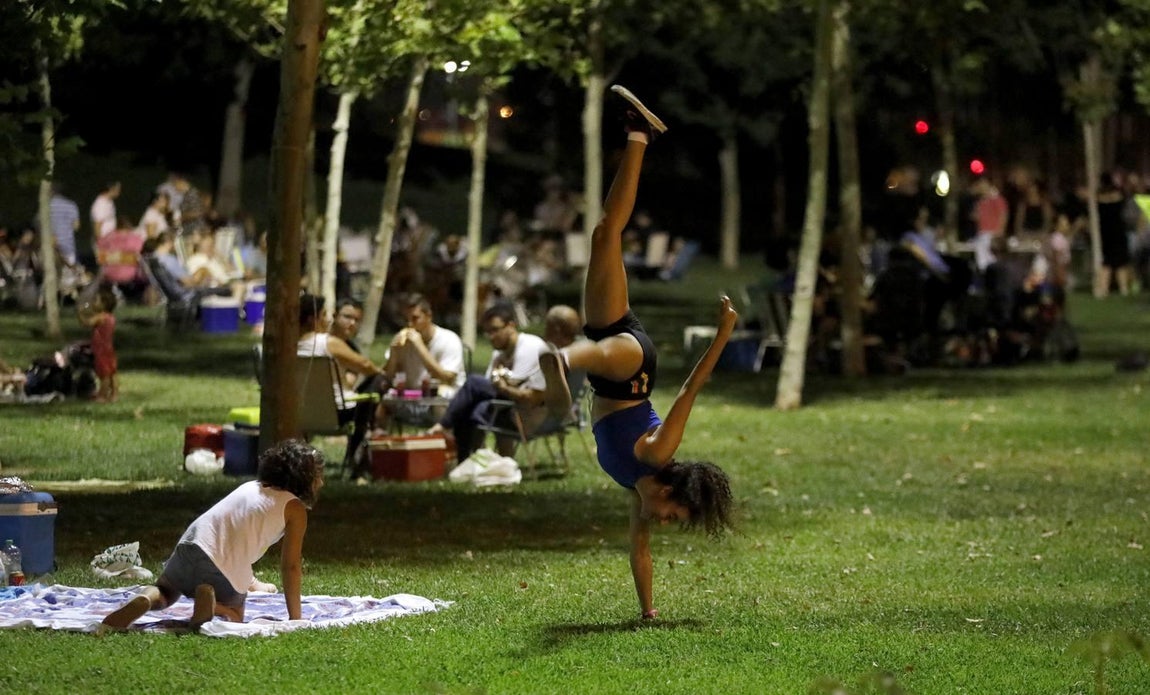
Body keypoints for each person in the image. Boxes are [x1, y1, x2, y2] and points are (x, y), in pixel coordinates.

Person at [537, 85, 735, 621]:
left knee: (605, 235)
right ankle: (565, 360)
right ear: (672, 490)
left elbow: (638, 552)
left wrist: (648, 614)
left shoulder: (634, 485)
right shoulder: (656, 454)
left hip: (613, 369)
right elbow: (692, 388)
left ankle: (638, 133)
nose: (665, 522)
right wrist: (723, 333)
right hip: (628, 366)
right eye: (674, 515)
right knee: (595, 345)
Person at [101, 439, 325, 630]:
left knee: (166, 591)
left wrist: (255, 583)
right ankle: (215, 606)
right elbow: (291, 566)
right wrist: (296, 618)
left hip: (191, 545)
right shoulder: (295, 509)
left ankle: (146, 598)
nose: (321, 482)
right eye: (318, 476)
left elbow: (232, 538)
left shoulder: (250, 487)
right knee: (236, 615)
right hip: (220, 567)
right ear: (304, 478)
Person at [426, 303, 548, 463]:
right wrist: (498, 376)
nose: (491, 336)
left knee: (474, 383)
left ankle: (444, 425)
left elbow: (510, 384)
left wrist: (499, 378)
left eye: (495, 330)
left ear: (511, 326)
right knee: (472, 409)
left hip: (530, 410)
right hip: (507, 406)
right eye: (488, 332)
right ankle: (464, 461)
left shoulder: (529, 346)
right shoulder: (500, 352)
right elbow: (492, 382)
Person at [297, 294, 381, 473]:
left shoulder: (290, 345)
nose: (327, 319)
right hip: (338, 412)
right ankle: (355, 460)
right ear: (314, 319)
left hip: (302, 411)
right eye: (324, 315)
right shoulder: (329, 343)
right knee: (377, 385)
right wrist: (381, 373)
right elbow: (366, 366)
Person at [81, 283, 119, 402]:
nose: (93, 302)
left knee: (104, 374)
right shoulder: (110, 317)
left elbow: (87, 323)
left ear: (104, 304)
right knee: (112, 372)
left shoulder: (101, 317)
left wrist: (80, 313)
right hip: (109, 348)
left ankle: (102, 395)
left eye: (96, 300)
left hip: (101, 350)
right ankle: (114, 394)